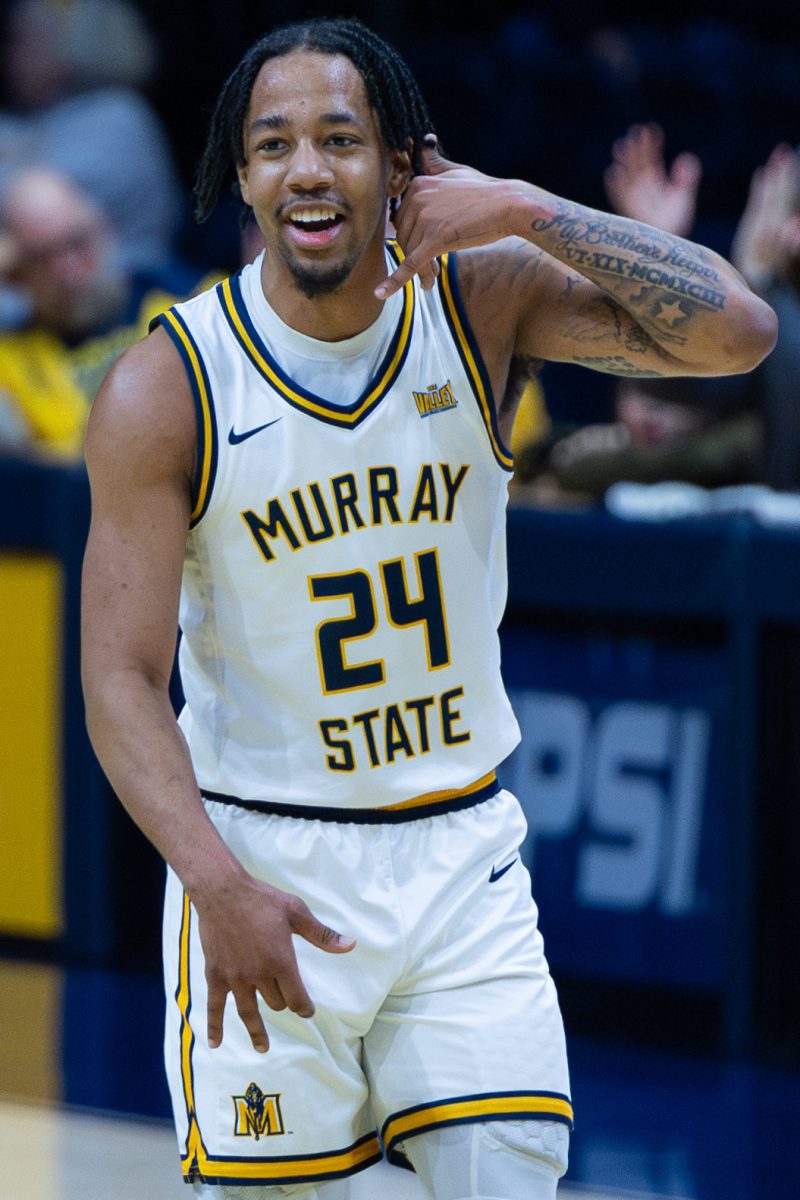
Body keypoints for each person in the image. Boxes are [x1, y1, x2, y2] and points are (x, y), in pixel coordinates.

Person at [79, 17, 776, 1200]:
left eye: (342, 139)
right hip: (262, 861)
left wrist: (520, 205)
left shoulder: (477, 298)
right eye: (276, 144)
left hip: (457, 856)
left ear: (403, 164)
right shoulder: (169, 385)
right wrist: (212, 883)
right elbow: (117, 680)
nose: (308, 168)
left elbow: (736, 333)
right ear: (239, 177)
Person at [0, 167, 210, 457]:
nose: (68, 273)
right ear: (15, 273)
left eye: (76, 243)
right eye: (41, 258)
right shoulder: (9, 364)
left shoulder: (195, 298)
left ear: (104, 227)